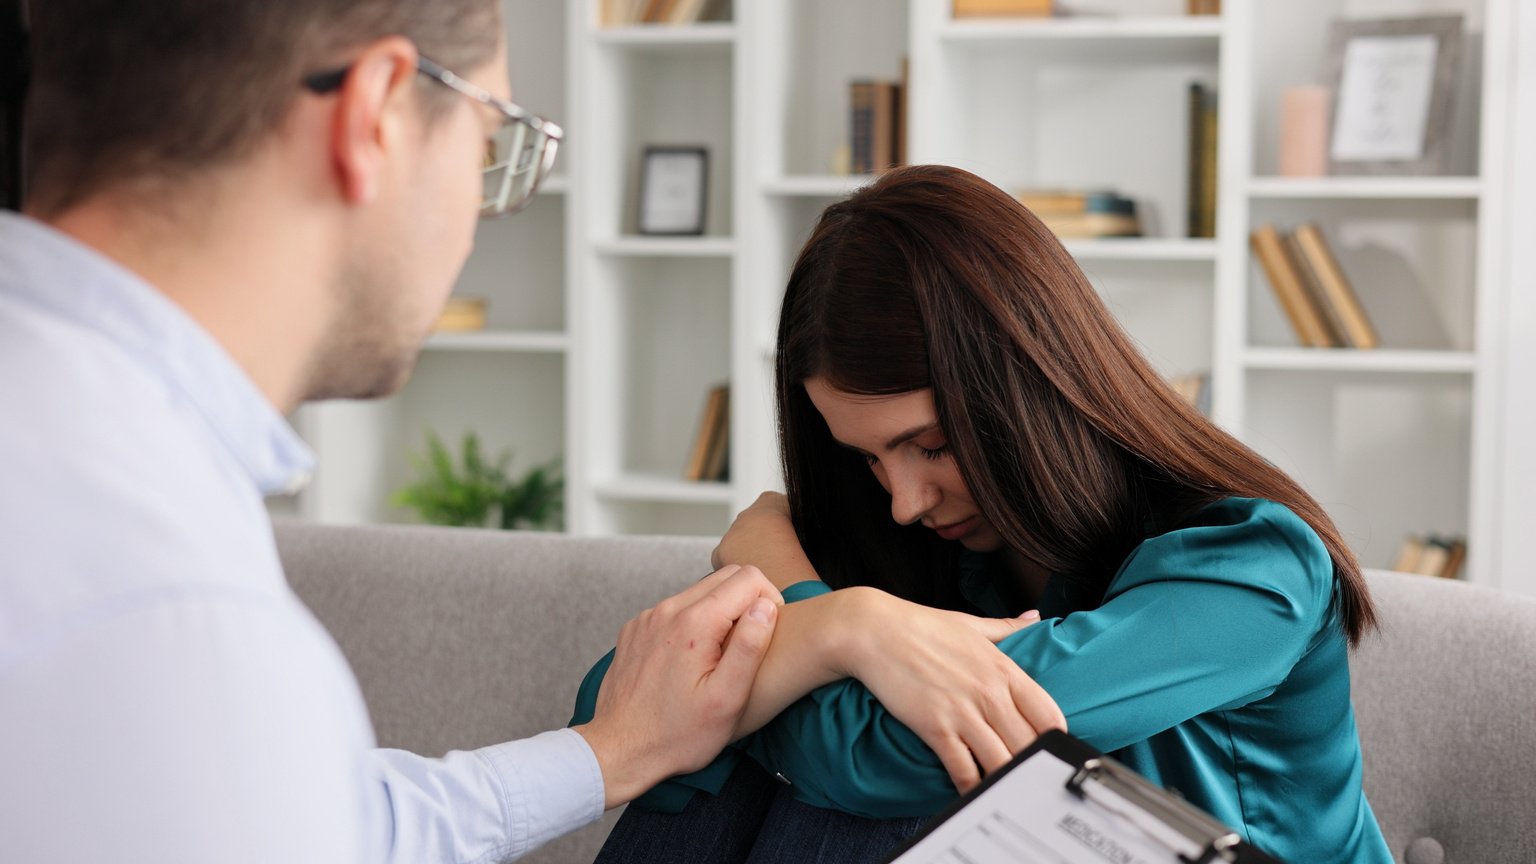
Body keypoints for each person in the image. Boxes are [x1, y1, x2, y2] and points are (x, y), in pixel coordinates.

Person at [0, 1, 787, 861]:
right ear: (373, 113)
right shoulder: (168, 612)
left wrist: (610, 751)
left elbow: (317, 818)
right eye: (488, 145)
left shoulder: (96, 471)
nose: (481, 216)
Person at [575, 164, 1395, 863]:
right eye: (867, 458)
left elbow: (895, 761)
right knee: (735, 768)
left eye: (929, 446)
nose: (902, 502)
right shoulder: (936, 550)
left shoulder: (1254, 567)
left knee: (872, 773)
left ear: (1029, 391)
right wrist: (842, 630)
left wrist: (798, 593)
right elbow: (615, 714)